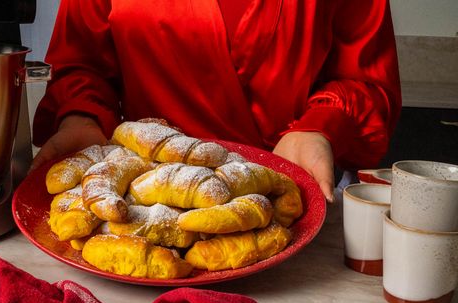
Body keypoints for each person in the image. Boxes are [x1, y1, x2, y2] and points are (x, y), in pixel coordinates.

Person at [30, 0, 401, 203]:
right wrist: (81, 117)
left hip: (280, 192)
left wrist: (319, 127)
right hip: (140, 200)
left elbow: (366, 80)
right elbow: (83, 64)